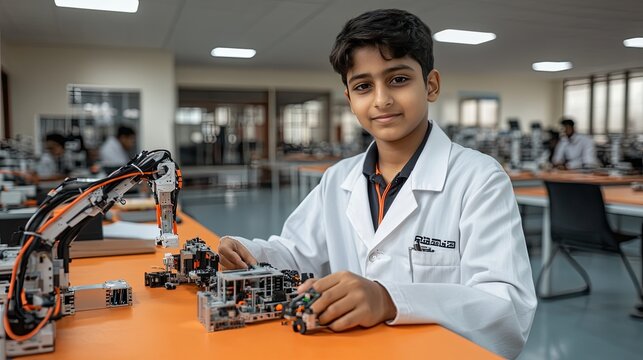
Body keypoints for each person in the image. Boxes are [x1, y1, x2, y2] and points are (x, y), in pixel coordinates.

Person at [218, 9, 536, 358]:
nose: (382, 99)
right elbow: (296, 253)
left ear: (431, 85)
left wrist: (389, 300)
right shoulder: (339, 179)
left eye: (398, 79)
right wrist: (251, 254)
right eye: (364, 86)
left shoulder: (479, 179)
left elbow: (506, 310)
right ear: (350, 100)